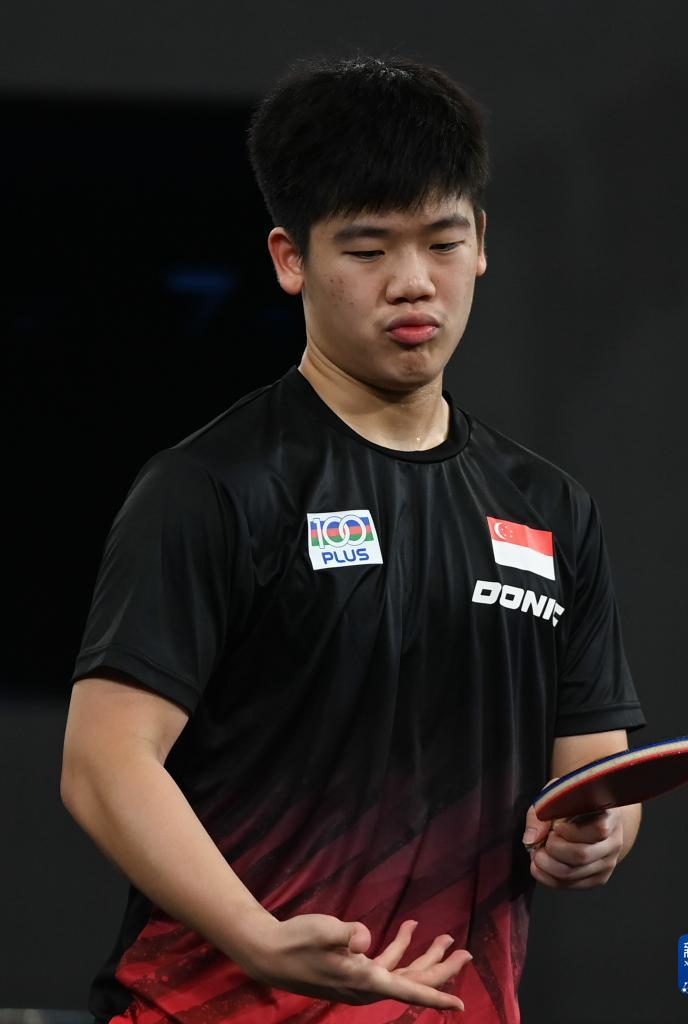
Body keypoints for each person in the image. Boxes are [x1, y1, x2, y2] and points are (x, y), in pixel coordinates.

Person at [61, 53, 646, 1024]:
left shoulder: (551, 508)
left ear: (482, 242)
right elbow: (104, 762)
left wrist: (598, 834)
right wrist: (255, 934)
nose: (413, 284)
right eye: (368, 250)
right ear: (290, 258)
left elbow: (595, 774)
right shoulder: (212, 487)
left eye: (442, 242)